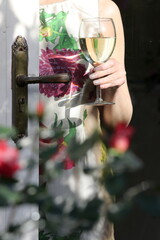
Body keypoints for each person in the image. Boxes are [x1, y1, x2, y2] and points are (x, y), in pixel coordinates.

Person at [39, 0, 133, 239]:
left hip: (80, 169)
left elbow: (119, 121)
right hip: (14, 163)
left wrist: (114, 84)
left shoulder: (101, 10)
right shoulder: (8, 11)